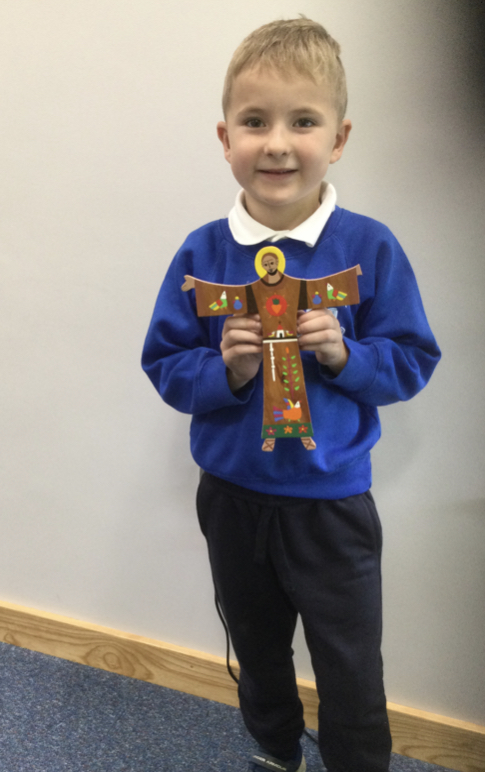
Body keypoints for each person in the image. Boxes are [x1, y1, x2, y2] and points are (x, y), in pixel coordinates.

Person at [142, 18, 441, 772]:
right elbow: (165, 363)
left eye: (303, 121)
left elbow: (412, 360)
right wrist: (227, 372)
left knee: (350, 665)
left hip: (330, 503)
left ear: (338, 138)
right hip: (232, 497)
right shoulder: (202, 253)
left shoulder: (369, 248)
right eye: (255, 121)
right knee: (257, 649)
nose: (277, 143)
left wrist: (345, 356)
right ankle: (277, 752)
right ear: (225, 138)